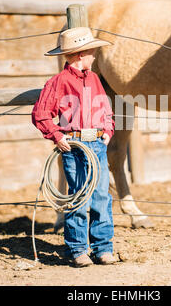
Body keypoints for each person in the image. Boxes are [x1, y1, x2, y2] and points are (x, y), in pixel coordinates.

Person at [32, 27, 116, 267]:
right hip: (75, 145)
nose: (94, 56)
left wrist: (107, 132)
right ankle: (78, 249)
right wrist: (58, 136)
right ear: (80, 54)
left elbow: (105, 109)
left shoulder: (94, 79)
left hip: (97, 145)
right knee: (78, 196)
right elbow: (41, 114)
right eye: (91, 51)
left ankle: (102, 248)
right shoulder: (58, 82)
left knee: (101, 195)